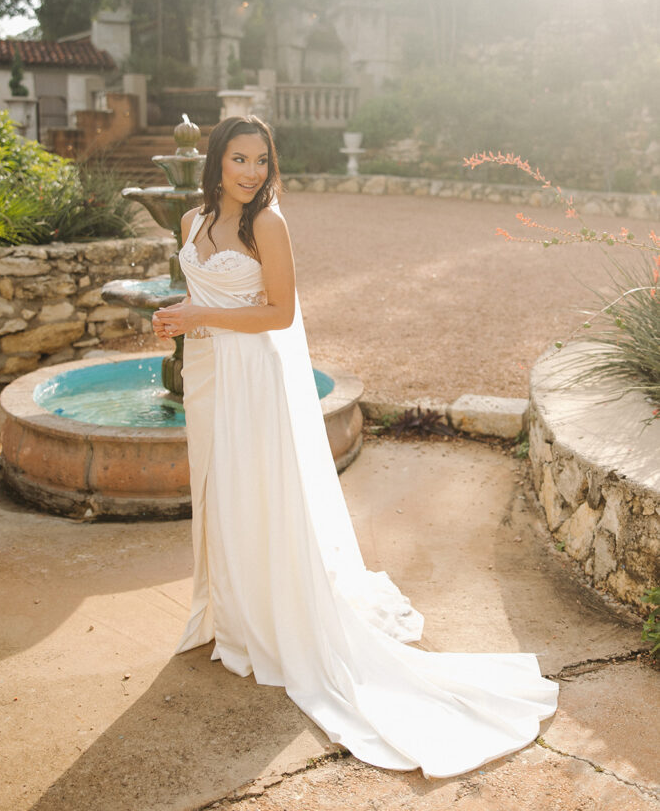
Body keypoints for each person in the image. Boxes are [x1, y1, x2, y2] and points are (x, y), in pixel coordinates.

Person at [152, 115, 558, 778]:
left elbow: (278, 313)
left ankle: (275, 619)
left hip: (255, 378)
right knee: (221, 491)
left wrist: (200, 315)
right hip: (208, 377)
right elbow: (204, 295)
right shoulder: (191, 221)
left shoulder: (268, 225)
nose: (252, 172)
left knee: (259, 491)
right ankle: (235, 613)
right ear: (215, 162)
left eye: (261, 159)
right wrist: (180, 316)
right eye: (239, 160)